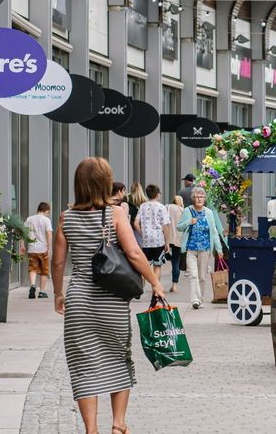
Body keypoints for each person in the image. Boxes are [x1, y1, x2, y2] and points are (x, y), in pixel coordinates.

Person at [51, 157, 165, 434]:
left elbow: (57, 262)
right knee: (118, 357)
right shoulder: (114, 214)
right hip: (111, 301)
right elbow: (135, 254)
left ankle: (91, 430)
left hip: (79, 299)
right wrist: (154, 283)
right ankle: (118, 424)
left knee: (83, 363)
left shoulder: (67, 217)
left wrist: (57, 293)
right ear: (105, 183)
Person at [176, 186, 225, 309]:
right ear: (193, 198)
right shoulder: (187, 211)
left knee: (202, 276)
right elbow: (179, 227)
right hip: (191, 249)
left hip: (205, 249)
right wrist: (189, 222)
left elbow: (214, 232)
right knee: (193, 275)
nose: (199, 199)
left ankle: (200, 298)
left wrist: (219, 249)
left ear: (204, 198)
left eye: (201, 196)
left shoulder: (208, 212)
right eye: (197, 196)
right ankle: (195, 300)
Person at [137, 185, 171, 284]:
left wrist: (142, 233)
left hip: (146, 241)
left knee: (146, 264)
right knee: (157, 265)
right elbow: (166, 226)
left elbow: (135, 223)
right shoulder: (161, 207)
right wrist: (167, 242)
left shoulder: (142, 206)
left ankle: (141, 284)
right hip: (158, 240)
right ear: (157, 194)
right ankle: (155, 289)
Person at [23, 202, 53, 299]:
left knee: (32, 268)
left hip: (32, 249)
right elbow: (49, 234)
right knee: (44, 271)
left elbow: (22, 231)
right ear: (47, 211)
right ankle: (42, 292)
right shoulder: (46, 220)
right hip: (43, 249)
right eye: (48, 212)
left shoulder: (29, 219)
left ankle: (32, 285)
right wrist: (50, 248)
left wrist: (22, 245)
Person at [166, 195, 184, 293]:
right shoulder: (182, 210)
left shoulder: (168, 207)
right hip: (178, 239)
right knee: (176, 262)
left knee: (160, 260)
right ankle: (174, 285)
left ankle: (168, 257)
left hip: (168, 237)